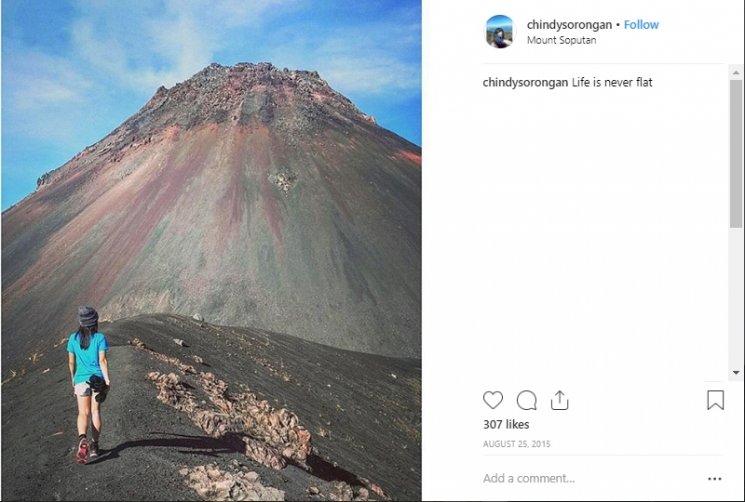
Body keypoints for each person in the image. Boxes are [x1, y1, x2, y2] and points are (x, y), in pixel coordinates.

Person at [67, 306, 110, 463]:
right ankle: (94, 446)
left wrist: (73, 380)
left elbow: (71, 362)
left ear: (81, 322)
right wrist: (107, 380)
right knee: (95, 412)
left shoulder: (73, 339)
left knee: (83, 413)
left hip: (80, 380)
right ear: (95, 322)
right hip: (97, 380)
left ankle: (82, 439)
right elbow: (102, 361)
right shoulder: (100, 338)